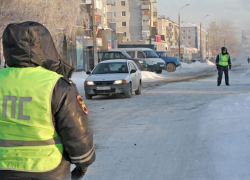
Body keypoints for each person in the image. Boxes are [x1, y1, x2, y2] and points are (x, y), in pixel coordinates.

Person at [0, 22, 95, 180]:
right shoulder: (57, 85)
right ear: (44, 47)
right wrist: (83, 163)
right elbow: (76, 132)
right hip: (47, 170)